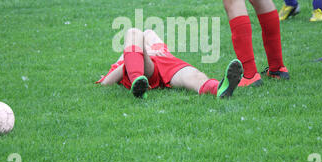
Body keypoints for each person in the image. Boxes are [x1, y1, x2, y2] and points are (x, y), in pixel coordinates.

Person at [96, 28, 243, 99]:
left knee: (193, 75)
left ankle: (219, 89)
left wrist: (149, 46)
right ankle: (138, 82)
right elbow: (106, 82)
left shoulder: (155, 41)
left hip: (167, 63)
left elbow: (151, 36)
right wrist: (131, 61)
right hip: (144, 67)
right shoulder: (127, 53)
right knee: (133, 32)